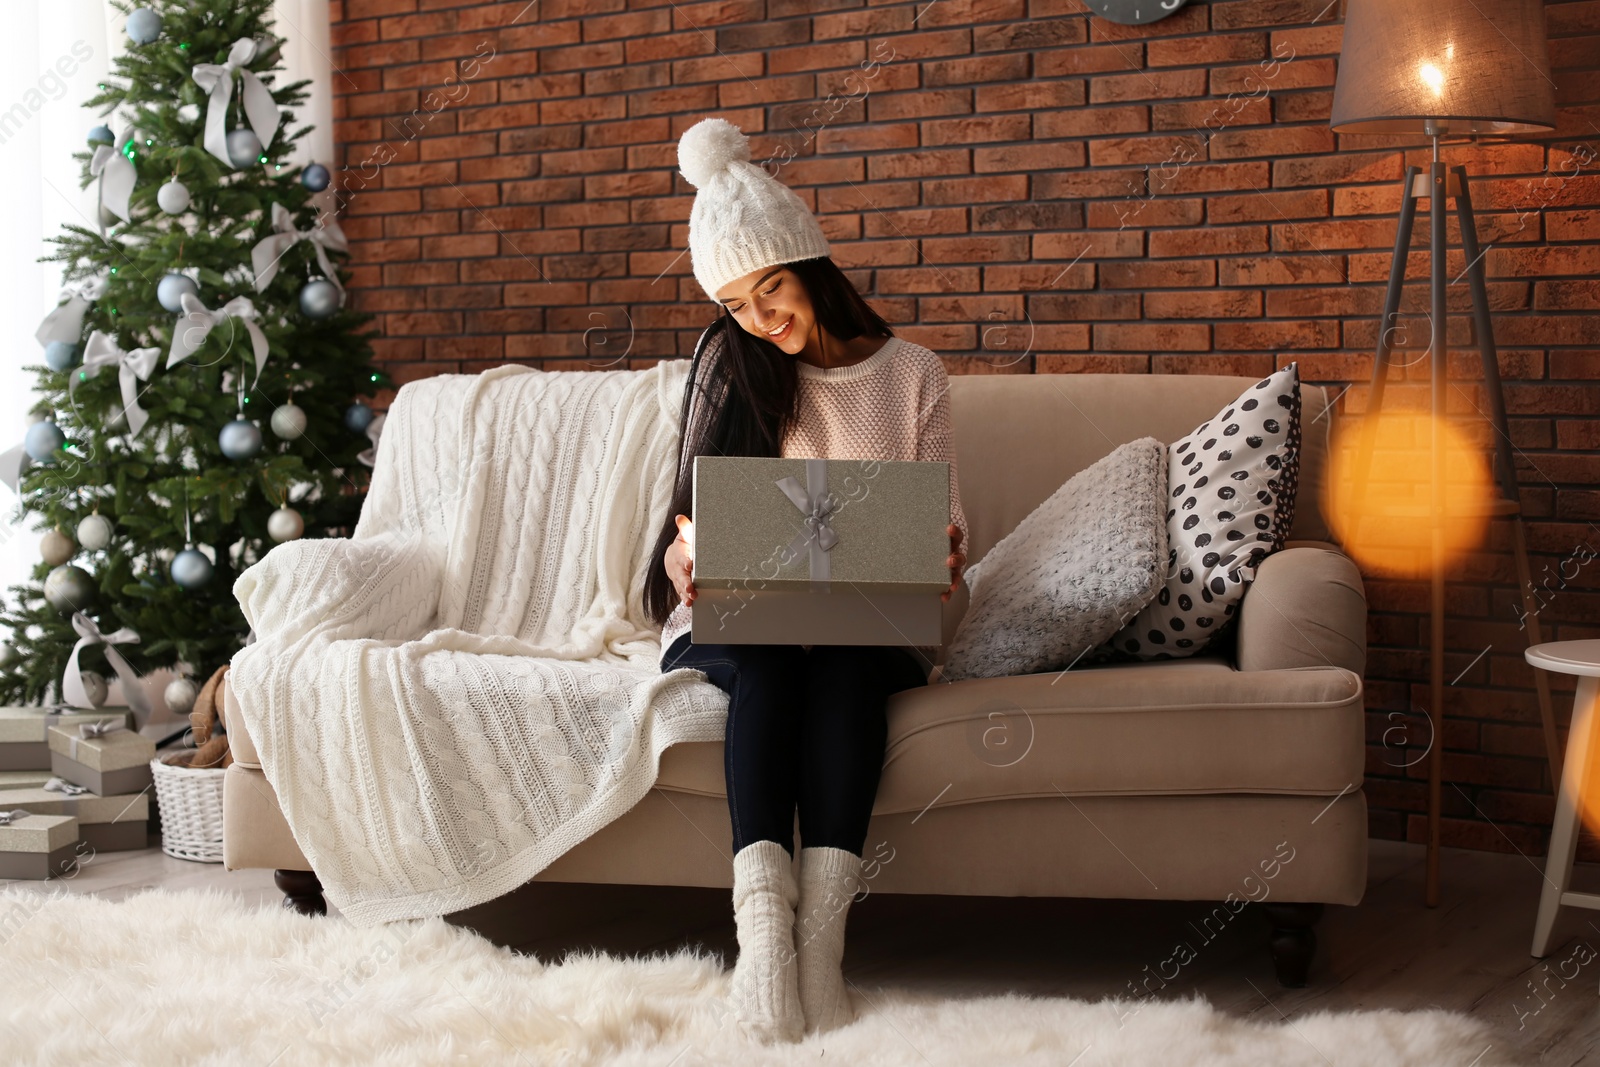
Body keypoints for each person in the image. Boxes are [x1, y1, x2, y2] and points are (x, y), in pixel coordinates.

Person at [642, 117, 969, 1044]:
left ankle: (820, 942)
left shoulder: (914, 374)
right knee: (778, 658)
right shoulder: (731, 364)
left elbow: (946, 523)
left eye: (771, 288)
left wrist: (940, 552)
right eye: (737, 303)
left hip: (869, 627)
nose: (760, 318)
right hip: (747, 625)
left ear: (811, 264)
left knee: (847, 665)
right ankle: (764, 941)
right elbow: (677, 539)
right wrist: (692, 556)